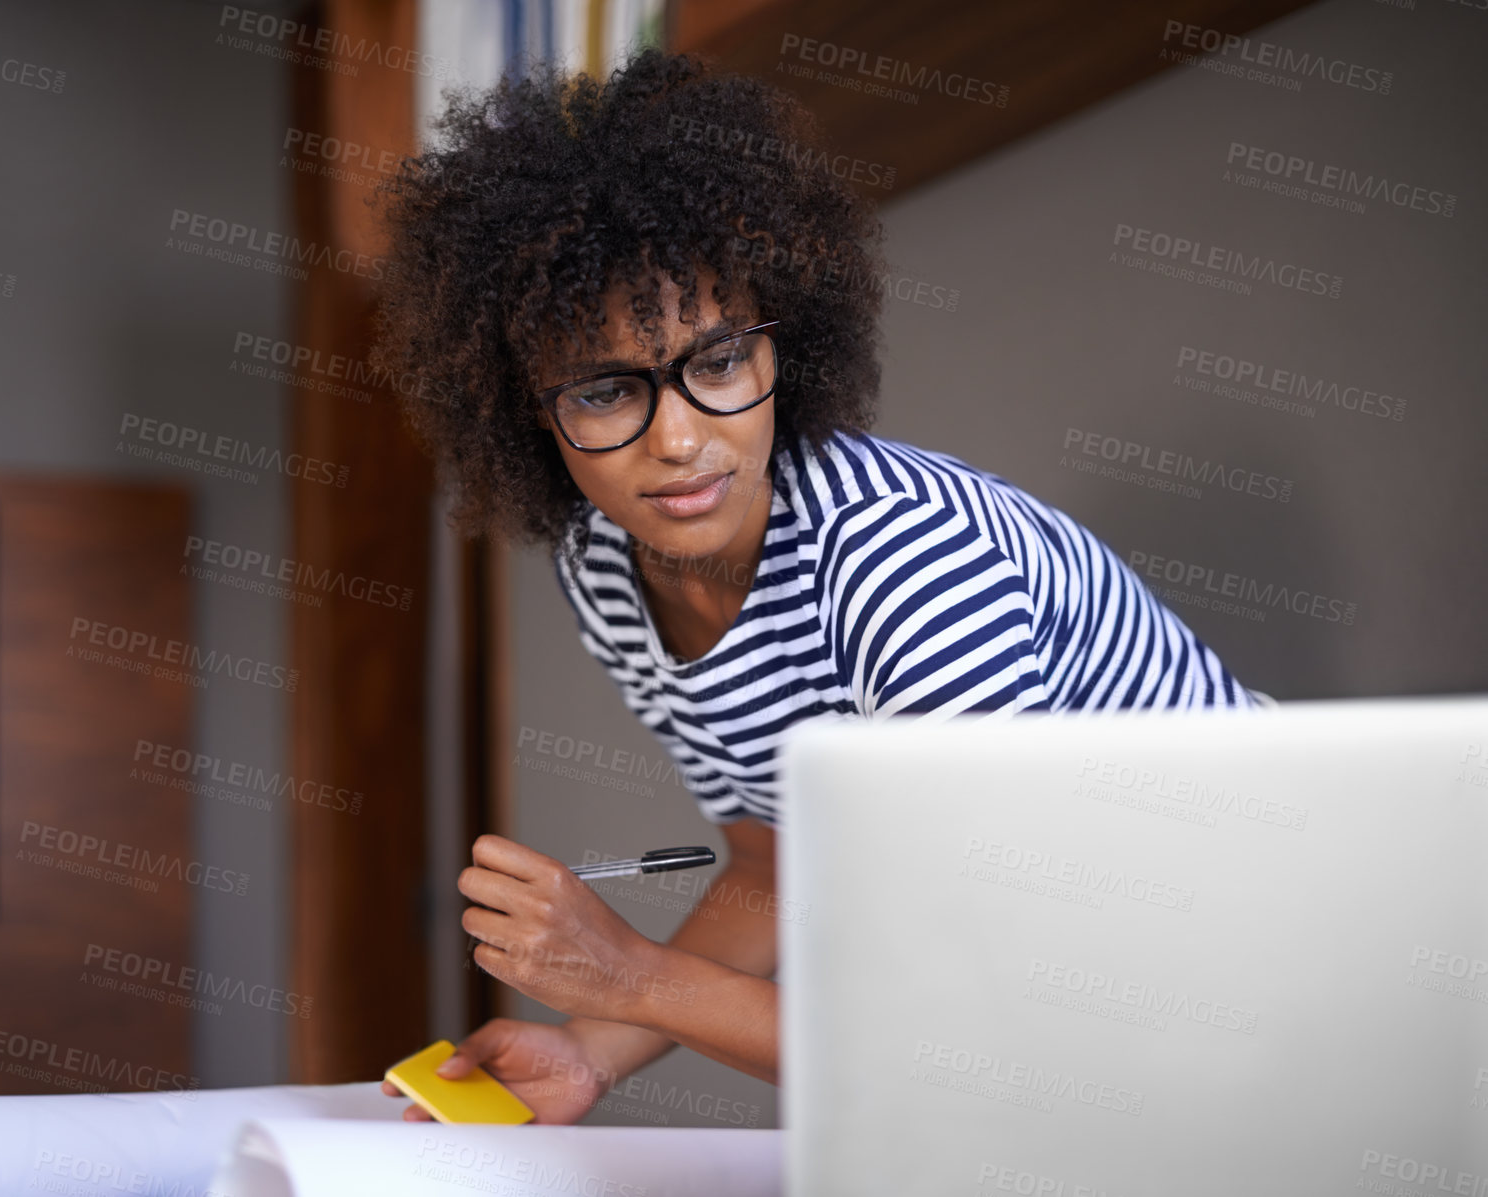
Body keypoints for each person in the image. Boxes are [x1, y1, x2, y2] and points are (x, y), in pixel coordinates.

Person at [373, 47, 1263, 1123]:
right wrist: (587, 1054)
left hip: (1256, 966)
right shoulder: (606, 571)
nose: (682, 442)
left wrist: (627, 974)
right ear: (529, 416)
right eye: (609, 390)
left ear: (778, 348)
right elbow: (778, 856)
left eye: (714, 363)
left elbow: (975, 1033)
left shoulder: (910, 563)